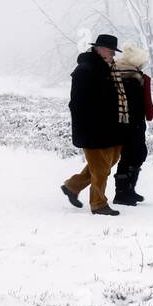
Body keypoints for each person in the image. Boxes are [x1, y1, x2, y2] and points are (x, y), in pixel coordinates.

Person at [60, 34, 129, 215]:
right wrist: (90, 121)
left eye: (114, 50)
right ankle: (98, 204)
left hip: (111, 125)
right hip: (92, 127)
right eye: (109, 50)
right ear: (98, 48)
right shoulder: (86, 69)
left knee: (110, 160)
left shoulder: (109, 68)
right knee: (100, 168)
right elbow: (76, 103)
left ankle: (72, 186)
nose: (113, 54)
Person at [111, 41, 153, 206]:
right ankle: (122, 193)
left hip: (135, 123)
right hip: (128, 124)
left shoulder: (134, 76)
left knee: (137, 154)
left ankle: (128, 189)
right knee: (129, 156)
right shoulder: (128, 77)